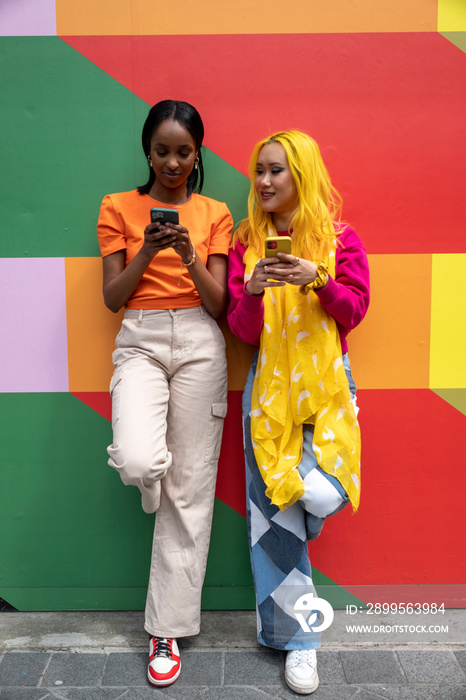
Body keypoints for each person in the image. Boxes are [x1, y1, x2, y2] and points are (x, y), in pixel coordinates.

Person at [227, 130, 370, 694]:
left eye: (276, 171)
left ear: (301, 176)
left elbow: (354, 310)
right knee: (275, 526)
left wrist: (318, 279)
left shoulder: (339, 238)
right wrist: (254, 290)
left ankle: (297, 629)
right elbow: (241, 332)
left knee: (320, 493)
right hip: (267, 396)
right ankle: (299, 642)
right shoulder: (246, 241)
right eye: (259, 170)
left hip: (329, 390)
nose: (263, 181)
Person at [97, 100, 232, 688]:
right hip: (142, 338)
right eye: (162, 150)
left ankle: (166, 631)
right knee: (138, 459)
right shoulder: (116, 207)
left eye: (183, 151)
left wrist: (187, 252)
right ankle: (155, 475)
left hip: (201, 341)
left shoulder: (217, 213)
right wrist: (150, 249)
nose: (172, 162)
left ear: (197, 152)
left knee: (191, 490)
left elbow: (220, 303)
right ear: (147, 151)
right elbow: (112, 296)